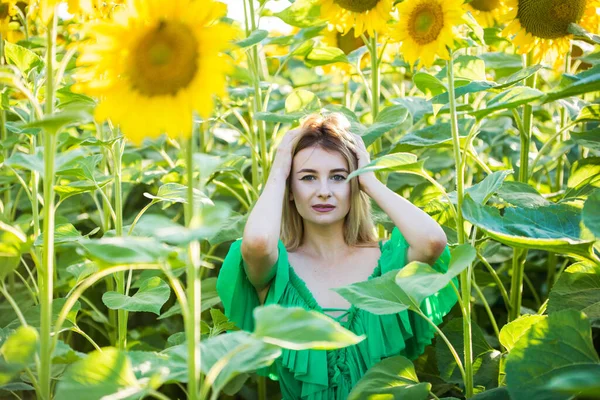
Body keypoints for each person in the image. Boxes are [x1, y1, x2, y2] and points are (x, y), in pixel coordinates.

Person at [216, 112, 457, 399]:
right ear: (290, 190)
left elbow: (432, 242)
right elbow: (256, 243)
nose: (324, 192)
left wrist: (370, 181)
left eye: (338, 177)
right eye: (307, 178)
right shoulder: (277, 272)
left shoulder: (387, 265)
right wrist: (278, 173)